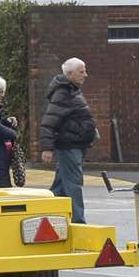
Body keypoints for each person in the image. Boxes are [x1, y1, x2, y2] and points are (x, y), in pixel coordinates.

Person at [39, 57, 97, 223]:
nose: (85, 75)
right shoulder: (63, 93)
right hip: (69, 147)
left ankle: (47, 218)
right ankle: (79, 223)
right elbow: (48, 122)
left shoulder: (71, 90)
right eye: (81, 71)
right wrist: (47, 148)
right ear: (70, 74)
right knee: (73, 185)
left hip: (74, 145)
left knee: (60, 186)